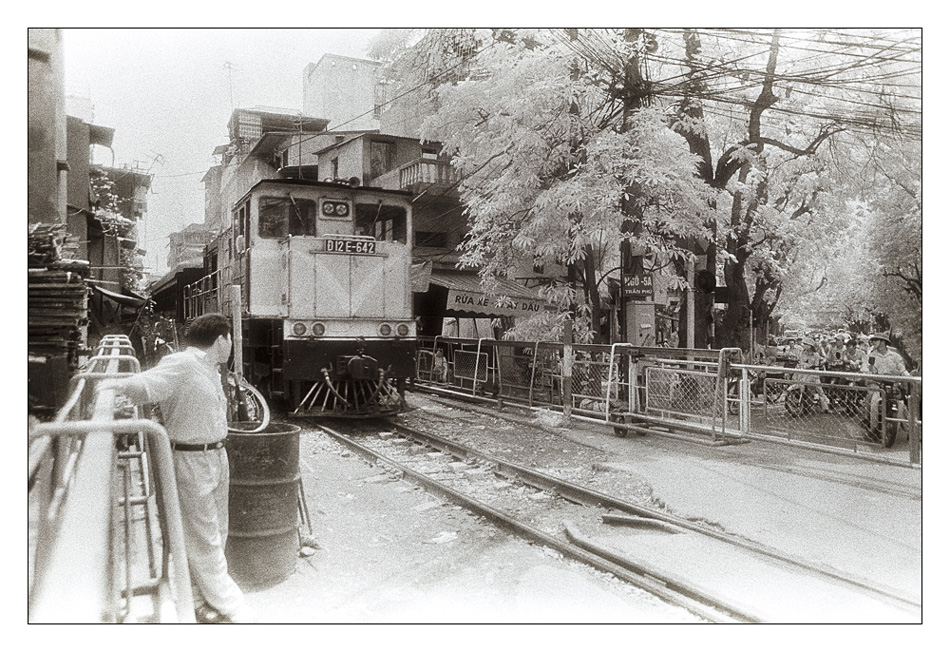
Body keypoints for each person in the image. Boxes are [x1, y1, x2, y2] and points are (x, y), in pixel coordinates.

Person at [99, 313, 255, 624]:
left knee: (216, 531)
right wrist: (109, 385)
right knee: (204, 536)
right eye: (231, 339)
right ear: (221, 339)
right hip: (190, 459)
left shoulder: (211, 368)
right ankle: (232, 605)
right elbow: (145, 384)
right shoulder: (182, 364)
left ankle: (199, 597)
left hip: (215, 456)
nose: (232, 345)